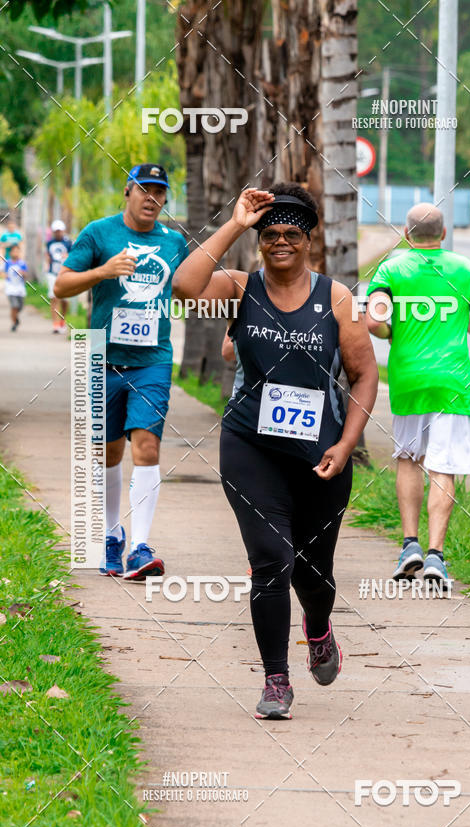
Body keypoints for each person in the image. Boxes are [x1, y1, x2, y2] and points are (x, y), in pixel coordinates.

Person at [173, 183, 378, 720]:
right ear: (259, 240)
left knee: (313, 572)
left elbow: (364, 375)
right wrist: (236, 222)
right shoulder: (239, 288)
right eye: (269, 234)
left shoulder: (337, 299)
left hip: (320, 453)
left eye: (291, 233)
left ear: (309, 241)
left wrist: (347, 443)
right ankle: (276, 679)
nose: (280, 241)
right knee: (271, 561)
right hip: (250, 446)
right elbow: (185, 287)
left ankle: (319, 627)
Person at [54, 163, 188, 580]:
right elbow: (61, 285)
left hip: (153, 359)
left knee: (146, 445)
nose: (152, 198)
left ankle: (141, 547)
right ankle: (112, 534)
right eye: (144, 189)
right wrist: (103, 272)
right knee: (108, 453)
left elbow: (190, 287)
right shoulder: (99, 233)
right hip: (100, 357)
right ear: (128, 191)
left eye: (159, 192)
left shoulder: (174, 241)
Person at [366, 202, 470, 589]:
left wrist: (392, 333)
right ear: (443, 234)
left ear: (407, 234)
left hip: (408, 380)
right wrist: (465, 322)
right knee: (444, 467)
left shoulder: (390, 269)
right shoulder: (466, 269)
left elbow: (374, 320)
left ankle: (409, 545)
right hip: (452, 384)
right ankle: (436, 557)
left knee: (409, 459)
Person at [46, 219, 72, 334]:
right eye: (56, 231)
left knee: (65, 300)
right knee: (54, 298)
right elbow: (48, 255)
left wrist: (68, 256)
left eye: (60, 231)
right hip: (52, 273)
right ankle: (55, 324)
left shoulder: (68, 243)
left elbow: (73, 255)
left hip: (65, 274)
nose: (58, 233)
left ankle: (62, 320)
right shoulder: (49, 243)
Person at [2, 243, 27, 331]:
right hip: (10, 288)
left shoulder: (22, 263)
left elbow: (25, 274)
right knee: (14, 305)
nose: (15, 253)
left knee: (20, 306)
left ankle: (15, 317)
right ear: (10, 253)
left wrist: (23, 273)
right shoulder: (7, 263)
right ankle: (15, 322)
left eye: (17, 251)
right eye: (14, 251)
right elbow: (3, 272)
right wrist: (5, 275)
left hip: (20, 288)